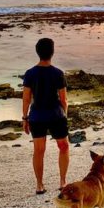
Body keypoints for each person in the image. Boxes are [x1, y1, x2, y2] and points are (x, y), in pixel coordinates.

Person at [22, 38, 70, 194]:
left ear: (38, 52)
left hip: (37, 116)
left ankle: (39, 184)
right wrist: (65, 115)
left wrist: (24, 118)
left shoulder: (30, 73)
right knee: (63, 147)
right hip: (56, 115)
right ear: (52, 52)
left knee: (39, 150)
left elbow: (26, 98)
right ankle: (63, 181)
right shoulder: (58, 73)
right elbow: (64, 100)